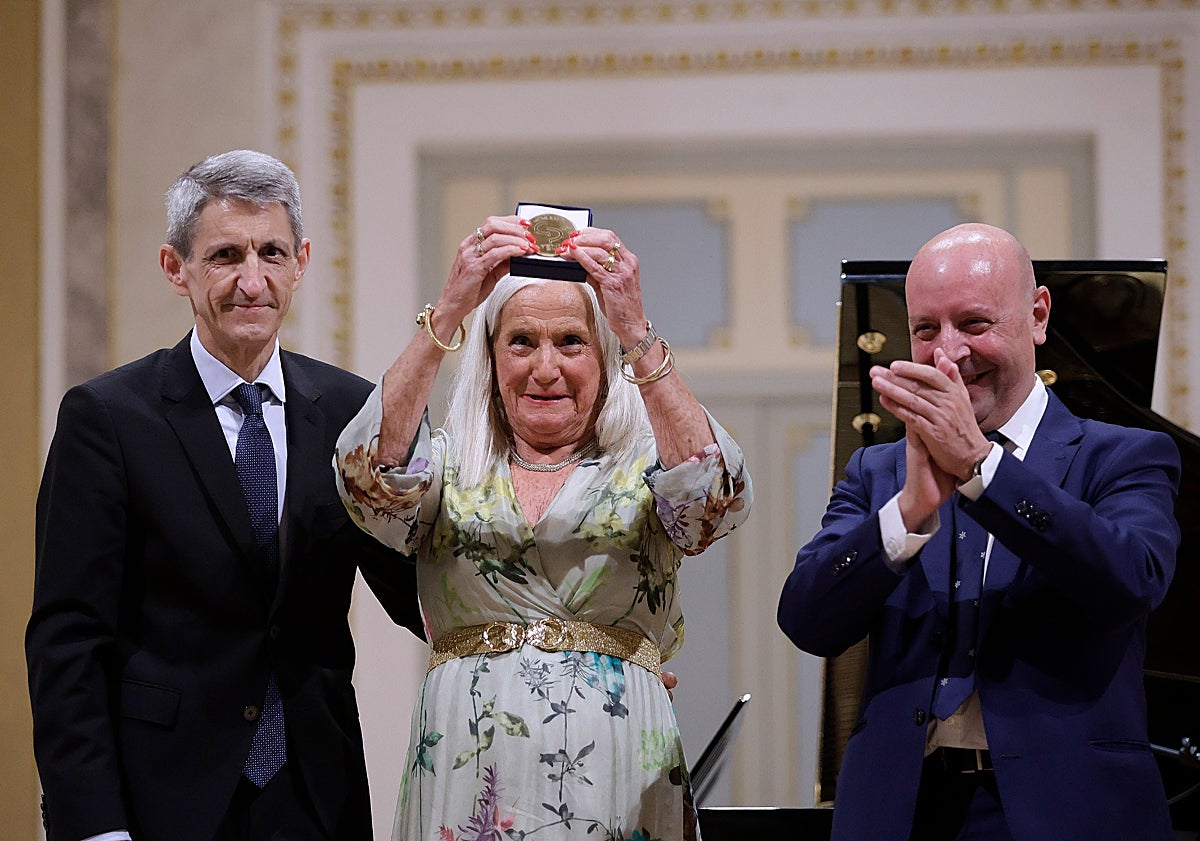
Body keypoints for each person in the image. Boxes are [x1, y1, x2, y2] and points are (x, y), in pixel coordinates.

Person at [26, 150, 423, 841]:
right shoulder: (107, 419)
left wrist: (577, 645)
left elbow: (420, 590)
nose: (252, 281)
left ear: (301, 261)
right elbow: (67, 645)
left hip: (314, 798)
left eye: (271, 253)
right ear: (175, 268)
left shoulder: (350, 411)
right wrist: (92, 824)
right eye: (224, 256)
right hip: (158, 802)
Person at [334, 216, 753, 840]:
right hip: (469, 766)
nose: (545, 367)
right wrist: (449, 312)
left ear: (605, 358)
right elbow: (368, 477)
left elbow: (716, 496)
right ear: (491, 357)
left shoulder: (644, 464)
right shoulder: (450, 466)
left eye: (571, 342)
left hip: (618, 765)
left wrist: (635, 330)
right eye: (522, 342)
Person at [777, 223, 1181, 840]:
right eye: (925, 330)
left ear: (1039, 315)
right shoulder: (878, 468)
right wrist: (907, 513)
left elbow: (1130, 583)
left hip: (1069, 811)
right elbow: (807, 619)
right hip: (904, 811)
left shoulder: (1124, 456)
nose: (948, 354)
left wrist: (981, 470)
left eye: (973, 324)